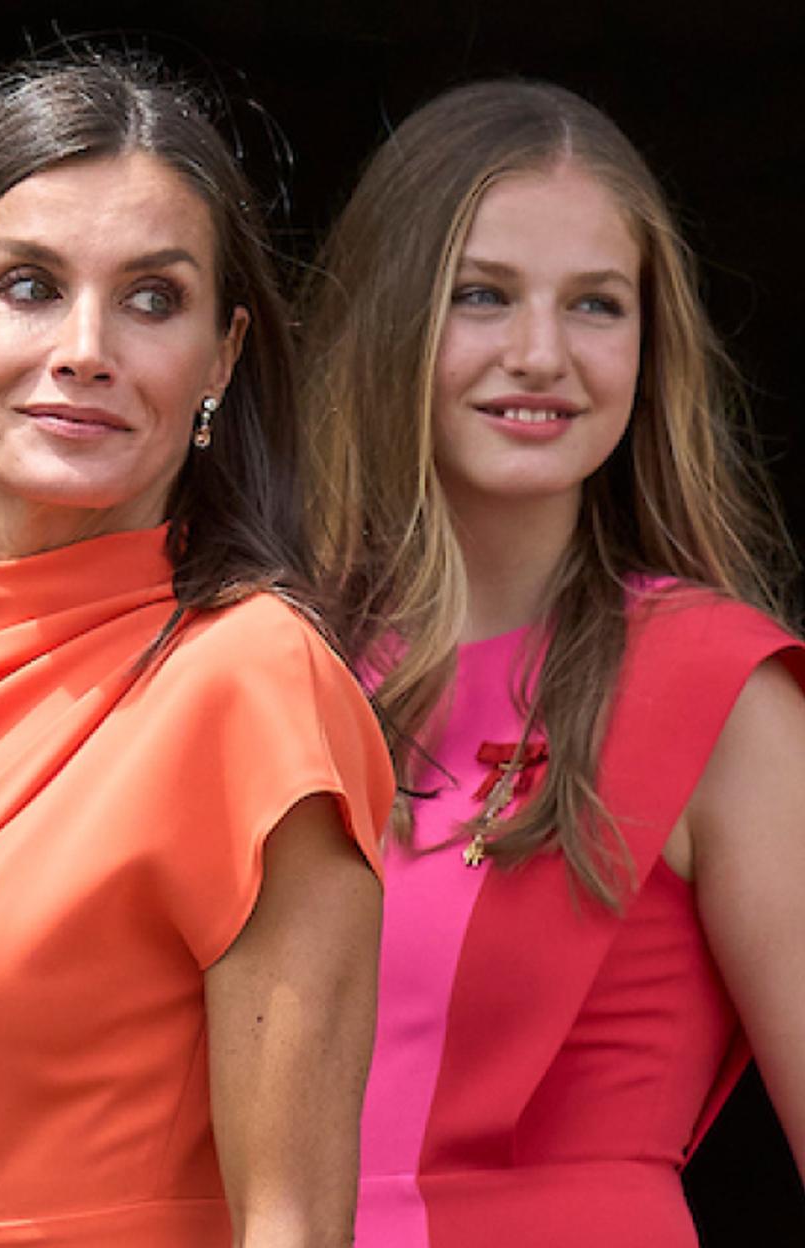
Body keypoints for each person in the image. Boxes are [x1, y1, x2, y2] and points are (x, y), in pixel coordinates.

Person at [0, 58, 395, 1248]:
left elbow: (294, 1226)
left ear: (220, 359)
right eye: (29, 287)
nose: (86, 347)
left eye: (153, 299)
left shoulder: (252, 682)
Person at [301, 80, 805, 1247]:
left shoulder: (720, 690)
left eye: (596, 306)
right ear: (389, 319)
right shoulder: (272, 663)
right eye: (481, 295)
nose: (541, 355)